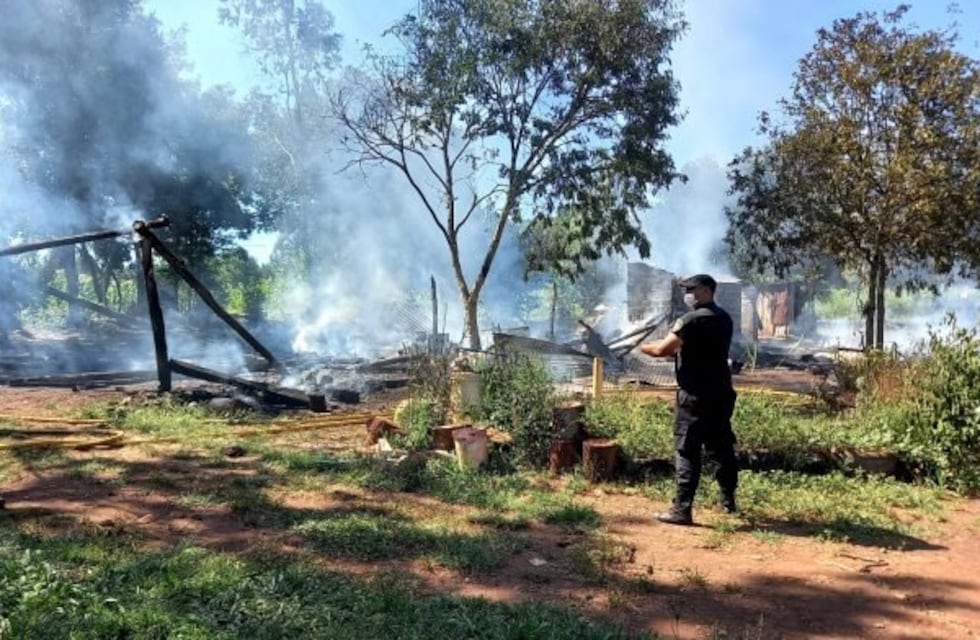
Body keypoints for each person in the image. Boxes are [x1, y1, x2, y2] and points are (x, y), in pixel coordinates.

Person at [640, 274, 738, 525]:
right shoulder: (724, 318)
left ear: (706, 290)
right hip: (721, 393)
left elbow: (664, 349)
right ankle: (728, 501)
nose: (688, 295)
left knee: (687, 451)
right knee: (722, 447)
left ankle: (681, 510)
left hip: (694, 397)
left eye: (692, 290)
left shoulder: (690, 320)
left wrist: (643, 347)